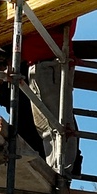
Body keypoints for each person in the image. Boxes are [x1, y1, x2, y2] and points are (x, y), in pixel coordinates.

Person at [23, 20, 80, 175]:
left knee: (56, 125)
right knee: (51, 125)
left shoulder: (52, 6)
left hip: (49, 63)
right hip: (46, 62)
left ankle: (59, 172)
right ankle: (58, 171)